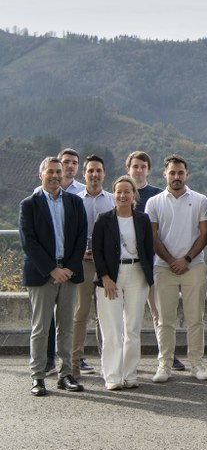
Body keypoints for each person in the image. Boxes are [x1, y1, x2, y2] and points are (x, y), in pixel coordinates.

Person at [20, 157, 88, 396]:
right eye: (50, 171)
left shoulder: (74, 203)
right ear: (41, 175)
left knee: (66, 327)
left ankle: (66, 374)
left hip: (69, 273)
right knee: (40, 328)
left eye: (59, 172)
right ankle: (38, 377)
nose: (56, 175)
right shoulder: (29, 204)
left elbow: (81, 237)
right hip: (42, 274)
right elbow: (29, 241)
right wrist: (52, 269)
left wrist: (68, 267)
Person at [146, 155, 207, 382]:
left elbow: (205, 234)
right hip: (163, 267)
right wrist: (171, 260)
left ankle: (197, 364)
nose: (176, 177)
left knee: (196, 318)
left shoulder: (201, 200)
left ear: (187, 174)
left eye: (180, 173)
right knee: (165, 320)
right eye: (172, 173)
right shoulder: (153, 202)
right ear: (165, 174)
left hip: (194, 265)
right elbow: (153, 235)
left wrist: (185, 259)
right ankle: (164, 365)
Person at [91, 176, 154, 390]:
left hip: (137, 273)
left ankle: (130, 374)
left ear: (134, 195)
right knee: (112, 330)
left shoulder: (143, 219)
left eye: (127, 191)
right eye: (119, 192)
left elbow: (148, 249)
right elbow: (97, 252)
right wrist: (105, 277)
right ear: (113, 194)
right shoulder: (103, 219)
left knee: (133, 328)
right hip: (111, 276)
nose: (123, 195)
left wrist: (148, 276)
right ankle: (112, 376)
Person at [126, 150, 184, 371]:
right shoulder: (121, 193)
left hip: (154, 264)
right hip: (128, 264)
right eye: (135, 166)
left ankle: (167, 354)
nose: (139, 170)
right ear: (128, 169)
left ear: (149, 170)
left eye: (143, 166)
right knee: (128, 315)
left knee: (159, 312)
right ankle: (125, 357)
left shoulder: (159, 196)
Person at [72, 155, 115, 378]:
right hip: (83, 264)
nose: (95, 175)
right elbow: (69, 234)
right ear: (84, 174)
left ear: (104, 174)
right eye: (91, 171)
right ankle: (74, 363)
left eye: (98, 171)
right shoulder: (75, 201)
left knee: (107, 314)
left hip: (106, 265)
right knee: (80, 313)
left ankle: (108, 363)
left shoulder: (113, 200)